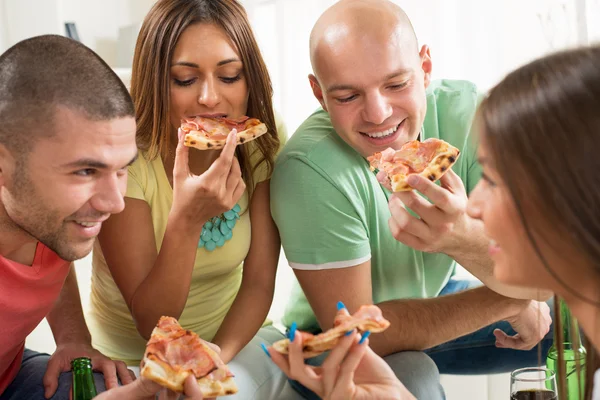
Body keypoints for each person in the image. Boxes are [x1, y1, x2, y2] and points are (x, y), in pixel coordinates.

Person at [269, 44, 600, 400]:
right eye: (349, 95)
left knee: (565, 315)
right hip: (339, 338)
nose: (474, 207)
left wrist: (461, 239)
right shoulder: (309, 166)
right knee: (415, 376)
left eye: (494, 179)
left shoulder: (466, 109)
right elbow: (354, 331)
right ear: (320, 93)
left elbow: (538, 283)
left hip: (431, 299)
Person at [86, 0, 291, 398]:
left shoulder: (259, 137)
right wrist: (186, 220)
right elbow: (151, 320)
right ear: (155, 81)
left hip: (230, 344)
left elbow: (259, 283)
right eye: (185, 80)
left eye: (230, 75)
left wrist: (216, 357)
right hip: (130, 364)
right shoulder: (125, 155)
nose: (210, 98)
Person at [0, 34, 137, 400]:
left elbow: (55, 253)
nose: (114, 202)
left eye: (122, 169)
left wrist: (73, 336)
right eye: (85, 172)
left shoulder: (48, 220)